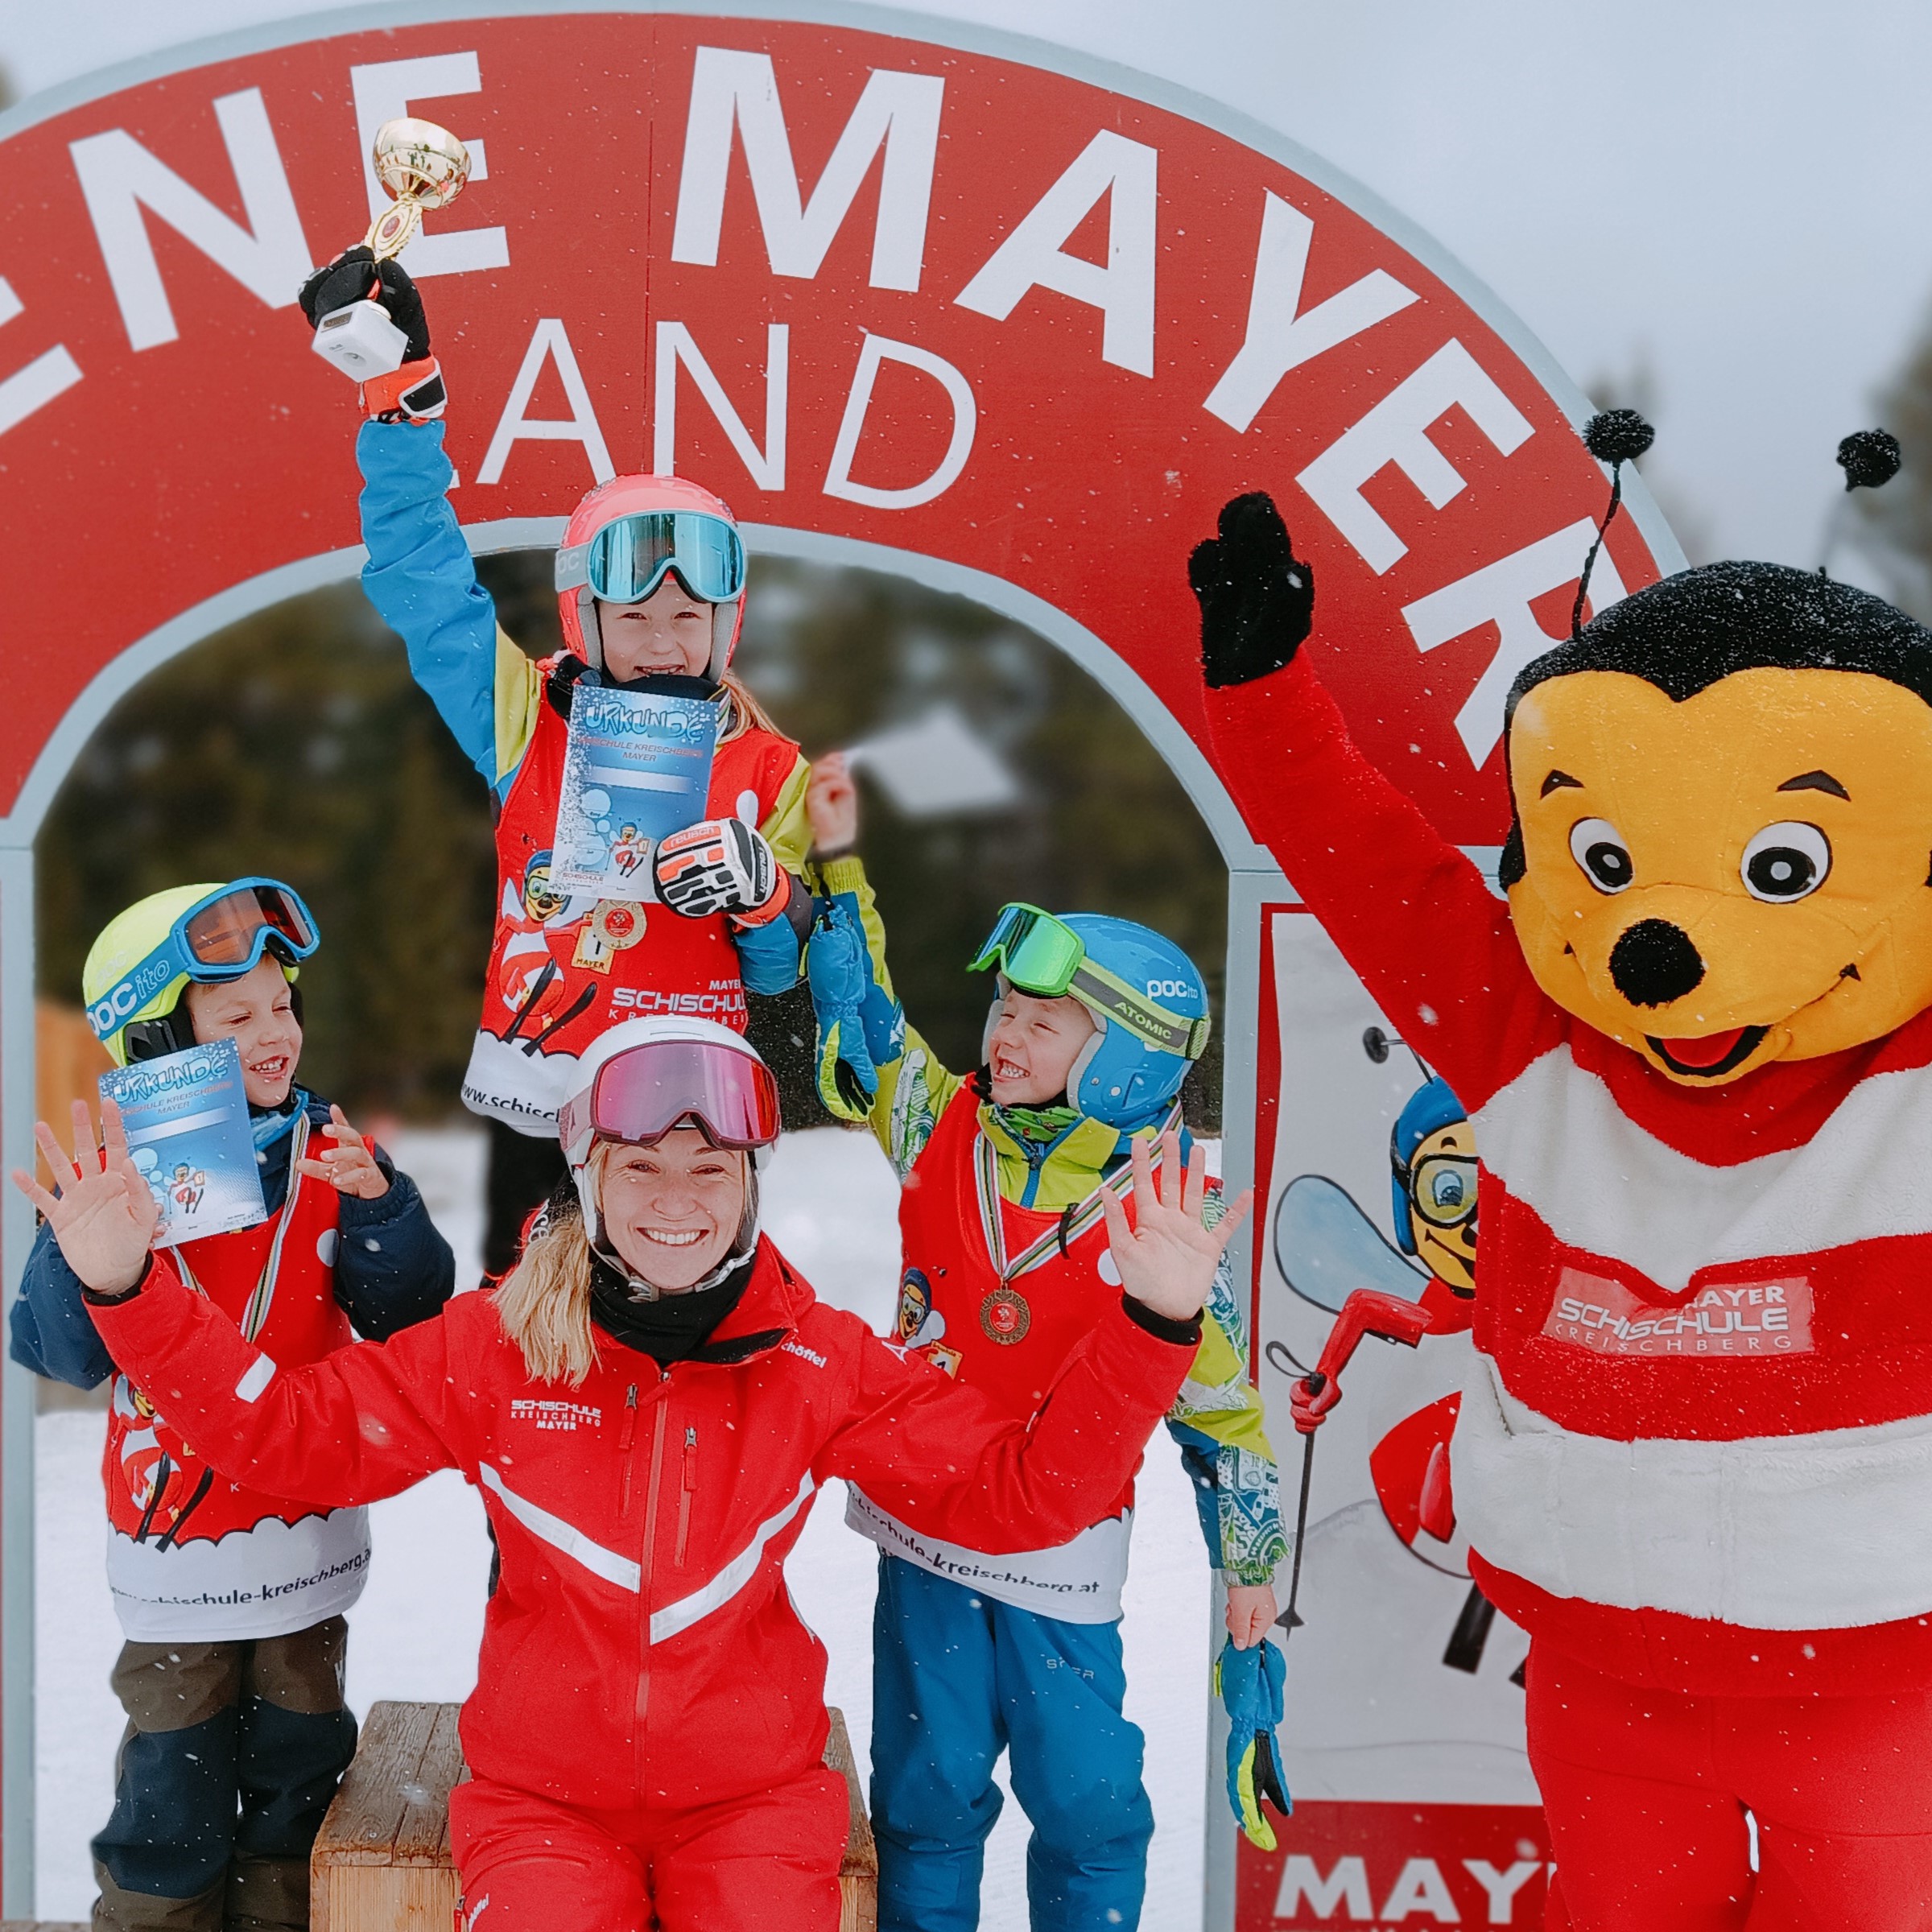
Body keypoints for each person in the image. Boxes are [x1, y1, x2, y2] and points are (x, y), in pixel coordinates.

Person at [15, 1017, 1246, 1932]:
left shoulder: (816, 1358)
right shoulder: (494, 1347)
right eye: (640, 1168)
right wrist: (129, 1292)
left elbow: (1024, 1498)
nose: (677, 1202)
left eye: (711, 1170)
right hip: (546, 1804)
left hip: (755, 1803)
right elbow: (286, 1438)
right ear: (587, 1182)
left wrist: (1150, 1329)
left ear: (753, 1188)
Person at [1190, 465, 1932, 1930]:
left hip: (1874, 1689)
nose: (1666, 948)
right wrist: (1263, 692)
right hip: (1604, 1695)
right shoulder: (1534, 1044)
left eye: (1780, 869)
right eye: (1610, 863)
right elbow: (1370, 869)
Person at [802, 758, 1287, 1931]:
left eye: (1041, 1019)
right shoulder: (942, 1123)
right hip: (927, 1528)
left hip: (1063, 1560)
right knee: (928, 1797)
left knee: (1087, 1801)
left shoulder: (1158, 1214)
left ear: (1125, 1055)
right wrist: (839, 867)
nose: (1005, 1033)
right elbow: (866, 1011)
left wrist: (1253, 1577)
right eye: (1005, 1009)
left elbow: (1225, 1419)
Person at [296, 249, 815, 1278]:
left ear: (727, 625)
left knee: (680, 1309)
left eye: (688, 617)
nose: (665, 640)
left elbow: (784, 968)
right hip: (546, 1086)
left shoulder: (767, 765)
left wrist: (764, 894)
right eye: (635, 616)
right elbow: (423, 586)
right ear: (586, 619)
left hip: (690, 1109)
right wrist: (401, 406)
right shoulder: (531, 719)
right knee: (528, 1334)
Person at [10, 880, 456, 1932]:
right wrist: (90, 1244)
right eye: (238, 1015)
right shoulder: (114, 1171)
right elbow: (56, 1354)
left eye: (283, 1006)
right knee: (173, 1794)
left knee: (299, 1780)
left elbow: (411, 1314)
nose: (276, 1033)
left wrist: (381, 1208)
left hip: (302, 1539)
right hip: (177, 1550)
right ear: (162, 1035)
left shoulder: (327, 1144)